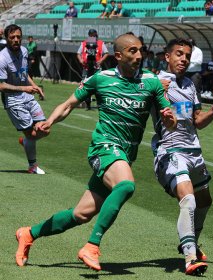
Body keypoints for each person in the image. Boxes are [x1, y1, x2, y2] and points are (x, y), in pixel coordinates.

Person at [15, 33, 177, 271]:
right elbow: (69, 104)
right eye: (133, 51)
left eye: (141, 50)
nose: (139, 55)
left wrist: (170, 119)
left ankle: (28, 233)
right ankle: (92, 246)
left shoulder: (151, 82)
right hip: (103, 147)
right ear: (119, 56)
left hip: (124, 155)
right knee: (126, 185)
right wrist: (49, 121)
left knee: (81, 214)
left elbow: (169, 121)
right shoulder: (101, 78)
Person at [153, 38, 213, 276]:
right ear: (167, 57)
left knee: (205, 201)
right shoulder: (155, 82)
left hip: (194, 151)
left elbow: (197, 121)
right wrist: (155, 93)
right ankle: (190, 257)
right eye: (179, 54)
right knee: (188, 199)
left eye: (187, 55)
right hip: (171, 150)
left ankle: (189, 241)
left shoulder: (190, 84)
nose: (184, 59)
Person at [0, 24, 47, 174]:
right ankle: (32, 166)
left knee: (45, 128)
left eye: (18, 37)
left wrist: (35, 86)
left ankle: (26, 142)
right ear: (7, 38)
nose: (16, 40)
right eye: (12, 37)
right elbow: (1, 86)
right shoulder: (2, 59)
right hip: (13, 100)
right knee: (32, 135)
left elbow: (24, 73)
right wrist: (24, 88)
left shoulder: (25, 51)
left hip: (27, 96)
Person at [77, 29, 109, 110]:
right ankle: (85, 103)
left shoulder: (100, 43)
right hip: (86, 67)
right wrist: (81, 60)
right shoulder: (84, 43)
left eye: (93, 35)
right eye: (90, 35)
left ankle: (100, 104)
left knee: (98, 86)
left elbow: (106, 53)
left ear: (96, 35)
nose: (92, 37)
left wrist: (100, 61)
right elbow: (78, 53)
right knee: (84, 85)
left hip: (96, 68)